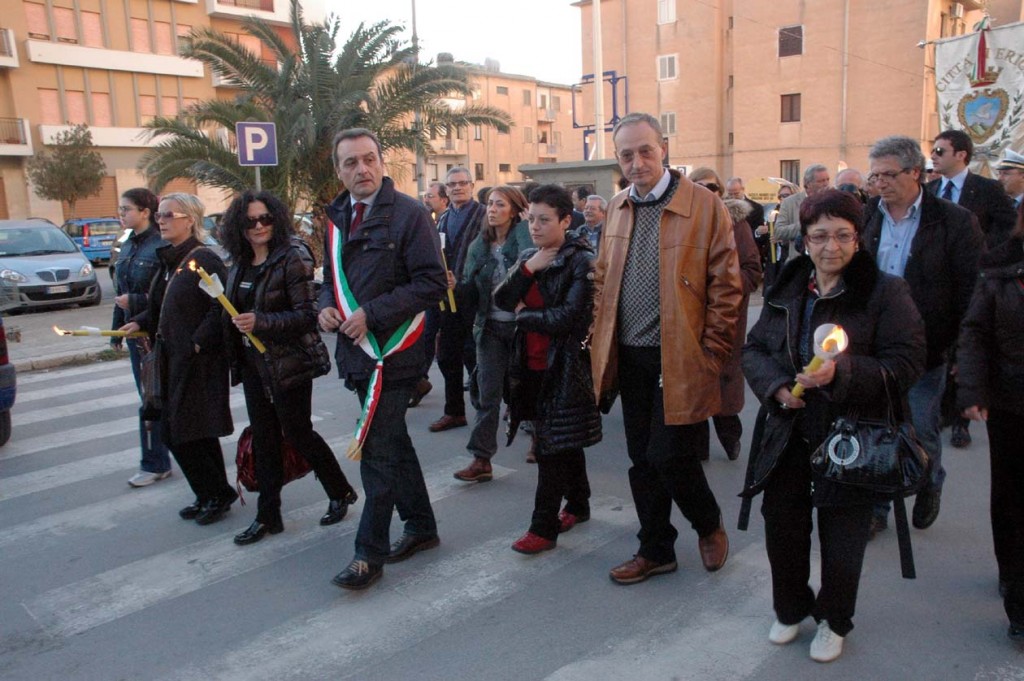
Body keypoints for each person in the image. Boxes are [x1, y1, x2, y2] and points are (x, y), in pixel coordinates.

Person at [741, 189, 926, 662]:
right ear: (804, 239)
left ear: (858, 239)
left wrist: (840, 374)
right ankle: (790, 607)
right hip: (789, 427)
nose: (831, 247)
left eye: (843, 235)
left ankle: (834, 619)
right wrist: (777, 387)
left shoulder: (884, 292)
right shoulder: (788, 286)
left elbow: (906, 363)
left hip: (852, 432)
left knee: (842, 535)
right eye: (820, 236)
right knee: (783, 525)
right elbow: (755, 349)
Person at [590, 113, 741, 585]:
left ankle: (708, 523)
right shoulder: (617, 206)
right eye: (626, 155)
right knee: (641, 458)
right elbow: (602, 277)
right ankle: (655, 549)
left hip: (680, 355)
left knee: (670, 455)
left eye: (645, 151)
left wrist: (711, 353)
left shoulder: (704, 205)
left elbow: (727, 285)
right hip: (629, 353)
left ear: (664, 149)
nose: (636, 163)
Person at [319, 128, 447, 590]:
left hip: (395, 354)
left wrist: (371, 314)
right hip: (357, 356)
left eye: (369, 159)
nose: (362, 169)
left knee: (377, 453)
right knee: (393, 443)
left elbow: (432, 283)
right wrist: (324, 308)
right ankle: (422, 526)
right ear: (339, 170)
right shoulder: (337, 217)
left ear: (382, 161)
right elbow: (328, 279)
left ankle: (368, 553)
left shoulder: (410, 214)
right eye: (351, 162)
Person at [217, 190, 360, 546]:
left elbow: (307, 315)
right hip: (253, 364)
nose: (259, 226)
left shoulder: (292, 255)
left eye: (265, 218)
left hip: (289, 361)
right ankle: (269, 516)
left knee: (297, 433)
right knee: (264, 438)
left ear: (276, 219)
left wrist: (261, 322)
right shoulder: (240, 260)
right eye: (250, 221)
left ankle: (340, 490)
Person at [862, 135, 984, 537]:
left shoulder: (953, 221)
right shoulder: (868, 215)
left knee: (918, 426)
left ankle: (930, 480)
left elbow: (970, 290)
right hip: (873, 345)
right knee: (876, 425)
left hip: (926, 345)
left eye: (888, 175)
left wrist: (961, 351)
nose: (880, 183)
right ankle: (878, 507)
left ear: (915, 172)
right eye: (875, 176)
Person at [493, 184, 600, 553]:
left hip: (565, 368)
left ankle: (543, 528)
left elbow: (567, 318)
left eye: (544, 220)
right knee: (562, 440)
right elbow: (501, 298)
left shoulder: (581, 261)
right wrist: (528, 269)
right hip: (529, 366)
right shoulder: (530, 256)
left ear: (566, 221)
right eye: (532, 219)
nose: (535, 227)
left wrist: (524, 316)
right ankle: (579, 503)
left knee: (550, 448)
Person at [120, 193, 236, 525]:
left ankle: (216, 494)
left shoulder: (204, 259)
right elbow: (162, 306)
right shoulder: (170, 260)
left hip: (198, 362)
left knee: (186, 431)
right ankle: (210, 493)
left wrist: (197, 343)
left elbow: (222, 307)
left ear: (190, 219)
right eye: (159, 215)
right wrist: (140, 321)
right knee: (188, 432)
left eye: (169, 215)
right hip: (171, 359)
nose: (161, 220)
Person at [957, 204, 1024, 641]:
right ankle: (1017, 590)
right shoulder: (1002, 268)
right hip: (1012, 403)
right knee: (1013, 498)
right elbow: (976, 332)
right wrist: (972, 391)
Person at [927, 129, 1016, 451]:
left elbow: (1010, 227)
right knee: (940, 347)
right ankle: (940, 410)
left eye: (940, 150)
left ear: (961, 154)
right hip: (937, 283)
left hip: (973, 281)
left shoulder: (987, 189)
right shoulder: (930, 190)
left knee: (964, 345)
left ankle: (960, 422)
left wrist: (985, 254)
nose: (934, 156)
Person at [452, 185, 533, 481]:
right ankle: (481, 458)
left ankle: (539, 439)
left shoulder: (523, 237)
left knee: (528, 388)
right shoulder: (480, 243)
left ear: (514, 211)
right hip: (490, 328)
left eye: (500, 204)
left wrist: (524, 225)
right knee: (488, 395)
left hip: (523, 326)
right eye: (490, 204)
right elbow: (468, 283)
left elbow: (531, 259)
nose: (492, 210)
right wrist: (456, 285)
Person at [689, 168, 763, 461]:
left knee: (725, 378)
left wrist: (724, 289)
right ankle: (698, 446)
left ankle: (730, 435)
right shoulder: (681, 222)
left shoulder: (735, 221)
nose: (706, 192)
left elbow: (752, 270)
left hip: (726, 316)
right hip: (690, 315)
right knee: (694, 380)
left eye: (711, 187)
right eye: (698, 186)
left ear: (720, 191)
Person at [112, 188, 172, 488]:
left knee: (153, 399)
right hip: (134, 335)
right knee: (149, 398)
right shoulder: (127, 245)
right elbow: (119, 292)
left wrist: (135, 306)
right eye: (120, 209)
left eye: (126, 209)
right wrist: (116, 329)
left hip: (155, 334)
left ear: (145, 212)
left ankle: (155, 463)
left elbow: (165, 296)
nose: (121, 215)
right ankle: (158, 459)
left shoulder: (160, 246)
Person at [429, 167, 485, 433]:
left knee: (477, 358)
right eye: (452, 184)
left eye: (463, 183)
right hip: (448, 299)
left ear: (472, 186)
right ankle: (454, 412)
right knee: (447, 356)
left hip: (477, 297)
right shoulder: (442, 219)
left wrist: (462, 279)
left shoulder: (484, 215)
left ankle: (490, 411)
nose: (457, 188)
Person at [774, 164, 830, 262]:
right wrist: (805, 225)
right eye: (821, 181)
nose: (826, 184)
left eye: (827, 180)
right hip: (800, 261)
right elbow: (779, 232)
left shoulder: (834, 201)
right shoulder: (789, 202)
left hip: (827, 258)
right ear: (807, 183)